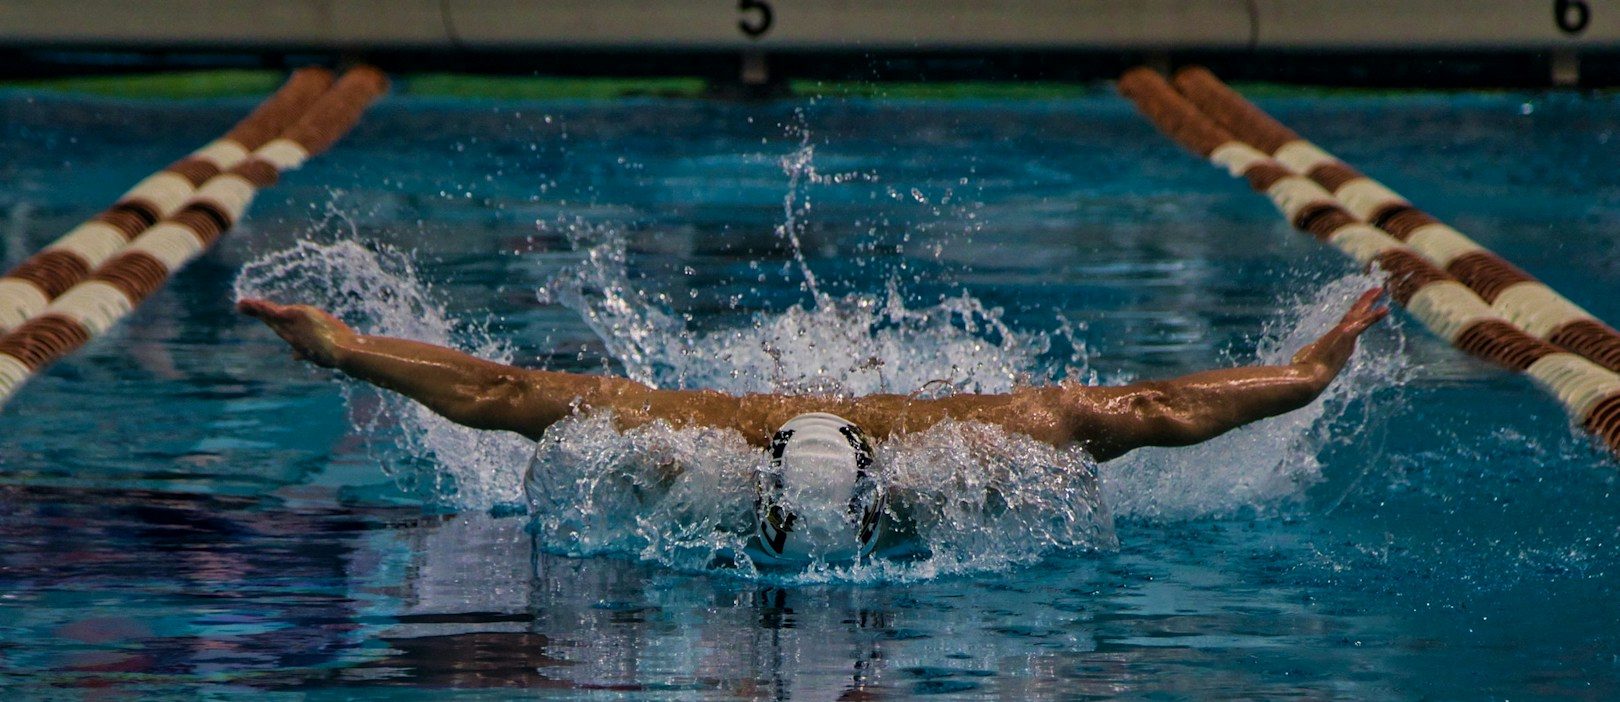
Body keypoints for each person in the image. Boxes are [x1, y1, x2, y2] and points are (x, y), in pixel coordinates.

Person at [237, 288, 1388, 562]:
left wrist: (1303, 375)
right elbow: (495, 392)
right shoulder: (691, 433)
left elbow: (1150, 408)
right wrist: (343, 347)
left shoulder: (978, 435)